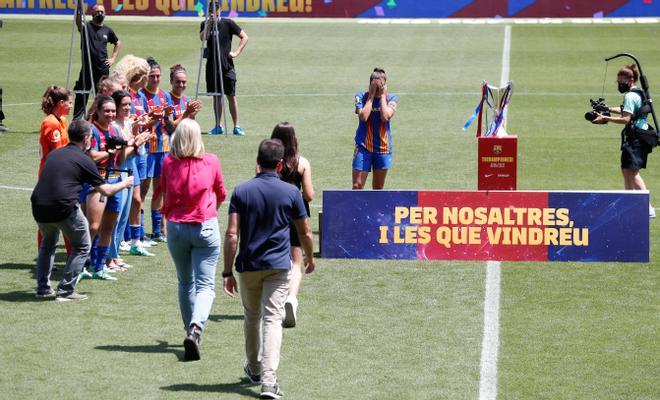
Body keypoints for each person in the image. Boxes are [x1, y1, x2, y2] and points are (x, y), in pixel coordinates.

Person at [223, 139, 315, 399]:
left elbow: (232, 235)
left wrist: (227, 272)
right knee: (273, 319)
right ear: (279, 165)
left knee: (252, 316)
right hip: (278, 265)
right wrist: (309, 257)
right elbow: (305, 230)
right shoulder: (290, 192)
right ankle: (269, 381)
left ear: (257, 161)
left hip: (249, 265)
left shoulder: (241, 191)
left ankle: (254, 367)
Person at [31, 119, 133, 301]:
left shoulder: (56, 153)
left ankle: (43, 288)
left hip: (39, 206)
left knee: (48, 244)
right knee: (83, 246)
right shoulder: (84, 160)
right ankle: (66, 290)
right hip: (63, 207)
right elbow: (106, 190)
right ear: (86, 138)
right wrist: (124, 183)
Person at [161, 118, 227, 361]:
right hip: (204, 225)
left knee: (184, 282)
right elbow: (221, 192)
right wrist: (211, 210)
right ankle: (196, 328)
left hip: (177, 227)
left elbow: (164, 191)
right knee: (205, 285)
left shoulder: (168, 162)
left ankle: (190, 329)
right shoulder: (211, 160)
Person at [593, 64, 655, 217]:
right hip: (640, 137)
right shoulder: (639, 93)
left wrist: (605, 118)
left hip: (635, 139)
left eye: (621, 81)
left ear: (631, 79)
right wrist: (607, 108)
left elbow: (626, 119)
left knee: (633, 173)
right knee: (627, 171)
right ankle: (629, 202)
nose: (619, 84)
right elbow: (628, 110)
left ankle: (647, 207)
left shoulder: (629, 96)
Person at [270, 122, 314, 328]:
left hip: (272, 214)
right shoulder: (302, 163)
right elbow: (309, 195)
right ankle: (291, 298)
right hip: (296, 214)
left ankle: (275, 301)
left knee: (276, 259)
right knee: (296, 263)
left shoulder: (266, 162)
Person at [200, 2, 249, 136]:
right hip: (212, 66)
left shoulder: (228, 23)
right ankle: (218, 126)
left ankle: (236, 126)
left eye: (215, 10)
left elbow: (245, 37)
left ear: (220, 10)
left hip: (226, 66)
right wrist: (209, 24)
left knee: (231, 96)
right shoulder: (205, 24)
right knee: (216, 97)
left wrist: (236, 52)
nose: (212, 12)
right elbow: (202, 38)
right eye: (210, 10)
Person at [38, 86, 73, 254]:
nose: (71, 106)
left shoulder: (62, 121)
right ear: (61, 103)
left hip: (60, 176)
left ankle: (71, 255)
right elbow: (58, 154)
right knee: (54, 220)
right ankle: (45, 256)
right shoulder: (51, 123)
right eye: (69, 102)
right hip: (52, 179)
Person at [140, 57, 172, 242]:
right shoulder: (142, 96)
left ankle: (158, 230)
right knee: (143, 190)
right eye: (152, 76)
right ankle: (139, 231)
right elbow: (141, 125)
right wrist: (155, 117)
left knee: (159, 189)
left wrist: (166, 118)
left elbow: (169, 126)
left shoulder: (165, 96)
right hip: (147, 149)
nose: (156, 79)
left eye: (158, 76)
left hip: (163, 147)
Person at [352, 67, 398, 190]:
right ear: (370, 84)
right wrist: (371, 96)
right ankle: (357, 209)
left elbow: (385, 117)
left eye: (381, 85)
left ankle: (374, 210)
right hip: (363, 147)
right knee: (357, 185)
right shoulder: (361, 96)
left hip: (382, 148)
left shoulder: (391, 98)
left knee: (378, 187)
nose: (378, 88)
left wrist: (382, 96)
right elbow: (364, 116)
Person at [73, 2, 121, 120]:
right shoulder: (86, 27)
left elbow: (117, 42)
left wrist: (113, 58)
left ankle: (98, 119)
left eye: (102, 12)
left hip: (103, 69)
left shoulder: (107, 30)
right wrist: (79, 7)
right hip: (87, 69)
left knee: (103, 95)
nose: (99, 14)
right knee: (81, 94)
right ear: (92, 13)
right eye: (97, 12)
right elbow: (78, 21)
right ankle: (77, 119)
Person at [165, 64, 202, 133]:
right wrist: (187, 113)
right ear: (171, 81)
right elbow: (171, 128)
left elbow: (189, 124)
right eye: (178, 82)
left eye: (184, 82)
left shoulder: (187, 99)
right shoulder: (167, 99)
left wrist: (192, 115)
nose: (181, 85)